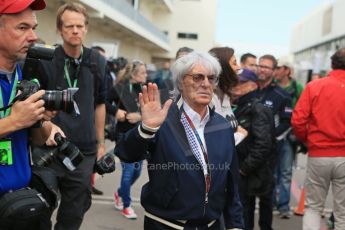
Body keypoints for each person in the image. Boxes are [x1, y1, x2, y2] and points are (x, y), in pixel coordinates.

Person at [115, 51, 244, 230]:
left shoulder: (222, 126)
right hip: (166, 224)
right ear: (181, 82)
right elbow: (125, 153)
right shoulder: (162, 120)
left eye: (211, 78)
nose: (206, 84)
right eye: (198, 77)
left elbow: (231, 185)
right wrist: (146, 128)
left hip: (211, 225)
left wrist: (235, 225)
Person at [36, 2, 106, 229]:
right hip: (49, 149)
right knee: (39, 210)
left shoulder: (97, 61)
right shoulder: (46, 59)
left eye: (79, 26)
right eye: (69, 26)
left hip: (84, 153)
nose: (75, 31)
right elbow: (34, 104)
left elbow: (100, 104)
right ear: (60, 29)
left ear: (86, 28)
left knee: (73, 215)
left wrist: (101, 143)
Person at [0, 0, 61, 229]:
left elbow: (36, 139)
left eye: (33, 28)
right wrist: (14, 121)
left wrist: (42, 120)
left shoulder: (27, 77)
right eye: (22, 28)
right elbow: (15, 123)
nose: (33, 36)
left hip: (19, 203)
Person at [292, 48, 345, 230]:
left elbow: (298, 120)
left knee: (313, 207)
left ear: (331, 64)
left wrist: (306, 140)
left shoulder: (315, 86)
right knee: (342, 212)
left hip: (319, 153)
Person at [233, 69, 276, 230]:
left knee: (249, 212)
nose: (235, 86)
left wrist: (244, 169)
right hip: (244, 169)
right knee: (244, 213)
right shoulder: (240, 105)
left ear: (251, 85)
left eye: (240, 82)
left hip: (253, 171)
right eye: (235, 81)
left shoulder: (257, 109)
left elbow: (263, 144)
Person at [255, 54, 292, 227]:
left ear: (274, 70)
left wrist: (269, 139)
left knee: (266, 197)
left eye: (266, 67)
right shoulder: (247, 90)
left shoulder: (281, 95)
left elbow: (286, 122)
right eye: (259, 65)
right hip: (247, 153)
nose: (261, 69)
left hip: (269, 154)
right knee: (246, 197)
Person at [109, 60, 147, 219]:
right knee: (128, 172)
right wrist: (118, 112)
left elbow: (153, 108)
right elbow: (103, 102)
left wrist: (139, 116)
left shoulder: (145, 88)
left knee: (137, 173)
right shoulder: (120, 87)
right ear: (133, 74)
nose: (146, 75)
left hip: (140, 135)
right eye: (143, 73)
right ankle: (127, 205)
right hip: (123, 135)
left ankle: (119, 193)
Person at [209, 46, 250, 146]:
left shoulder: (225, 95)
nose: (239, 67)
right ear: (222, 67)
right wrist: (241, 134)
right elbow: (214, 140)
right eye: (234, 63)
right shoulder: (209, 98)